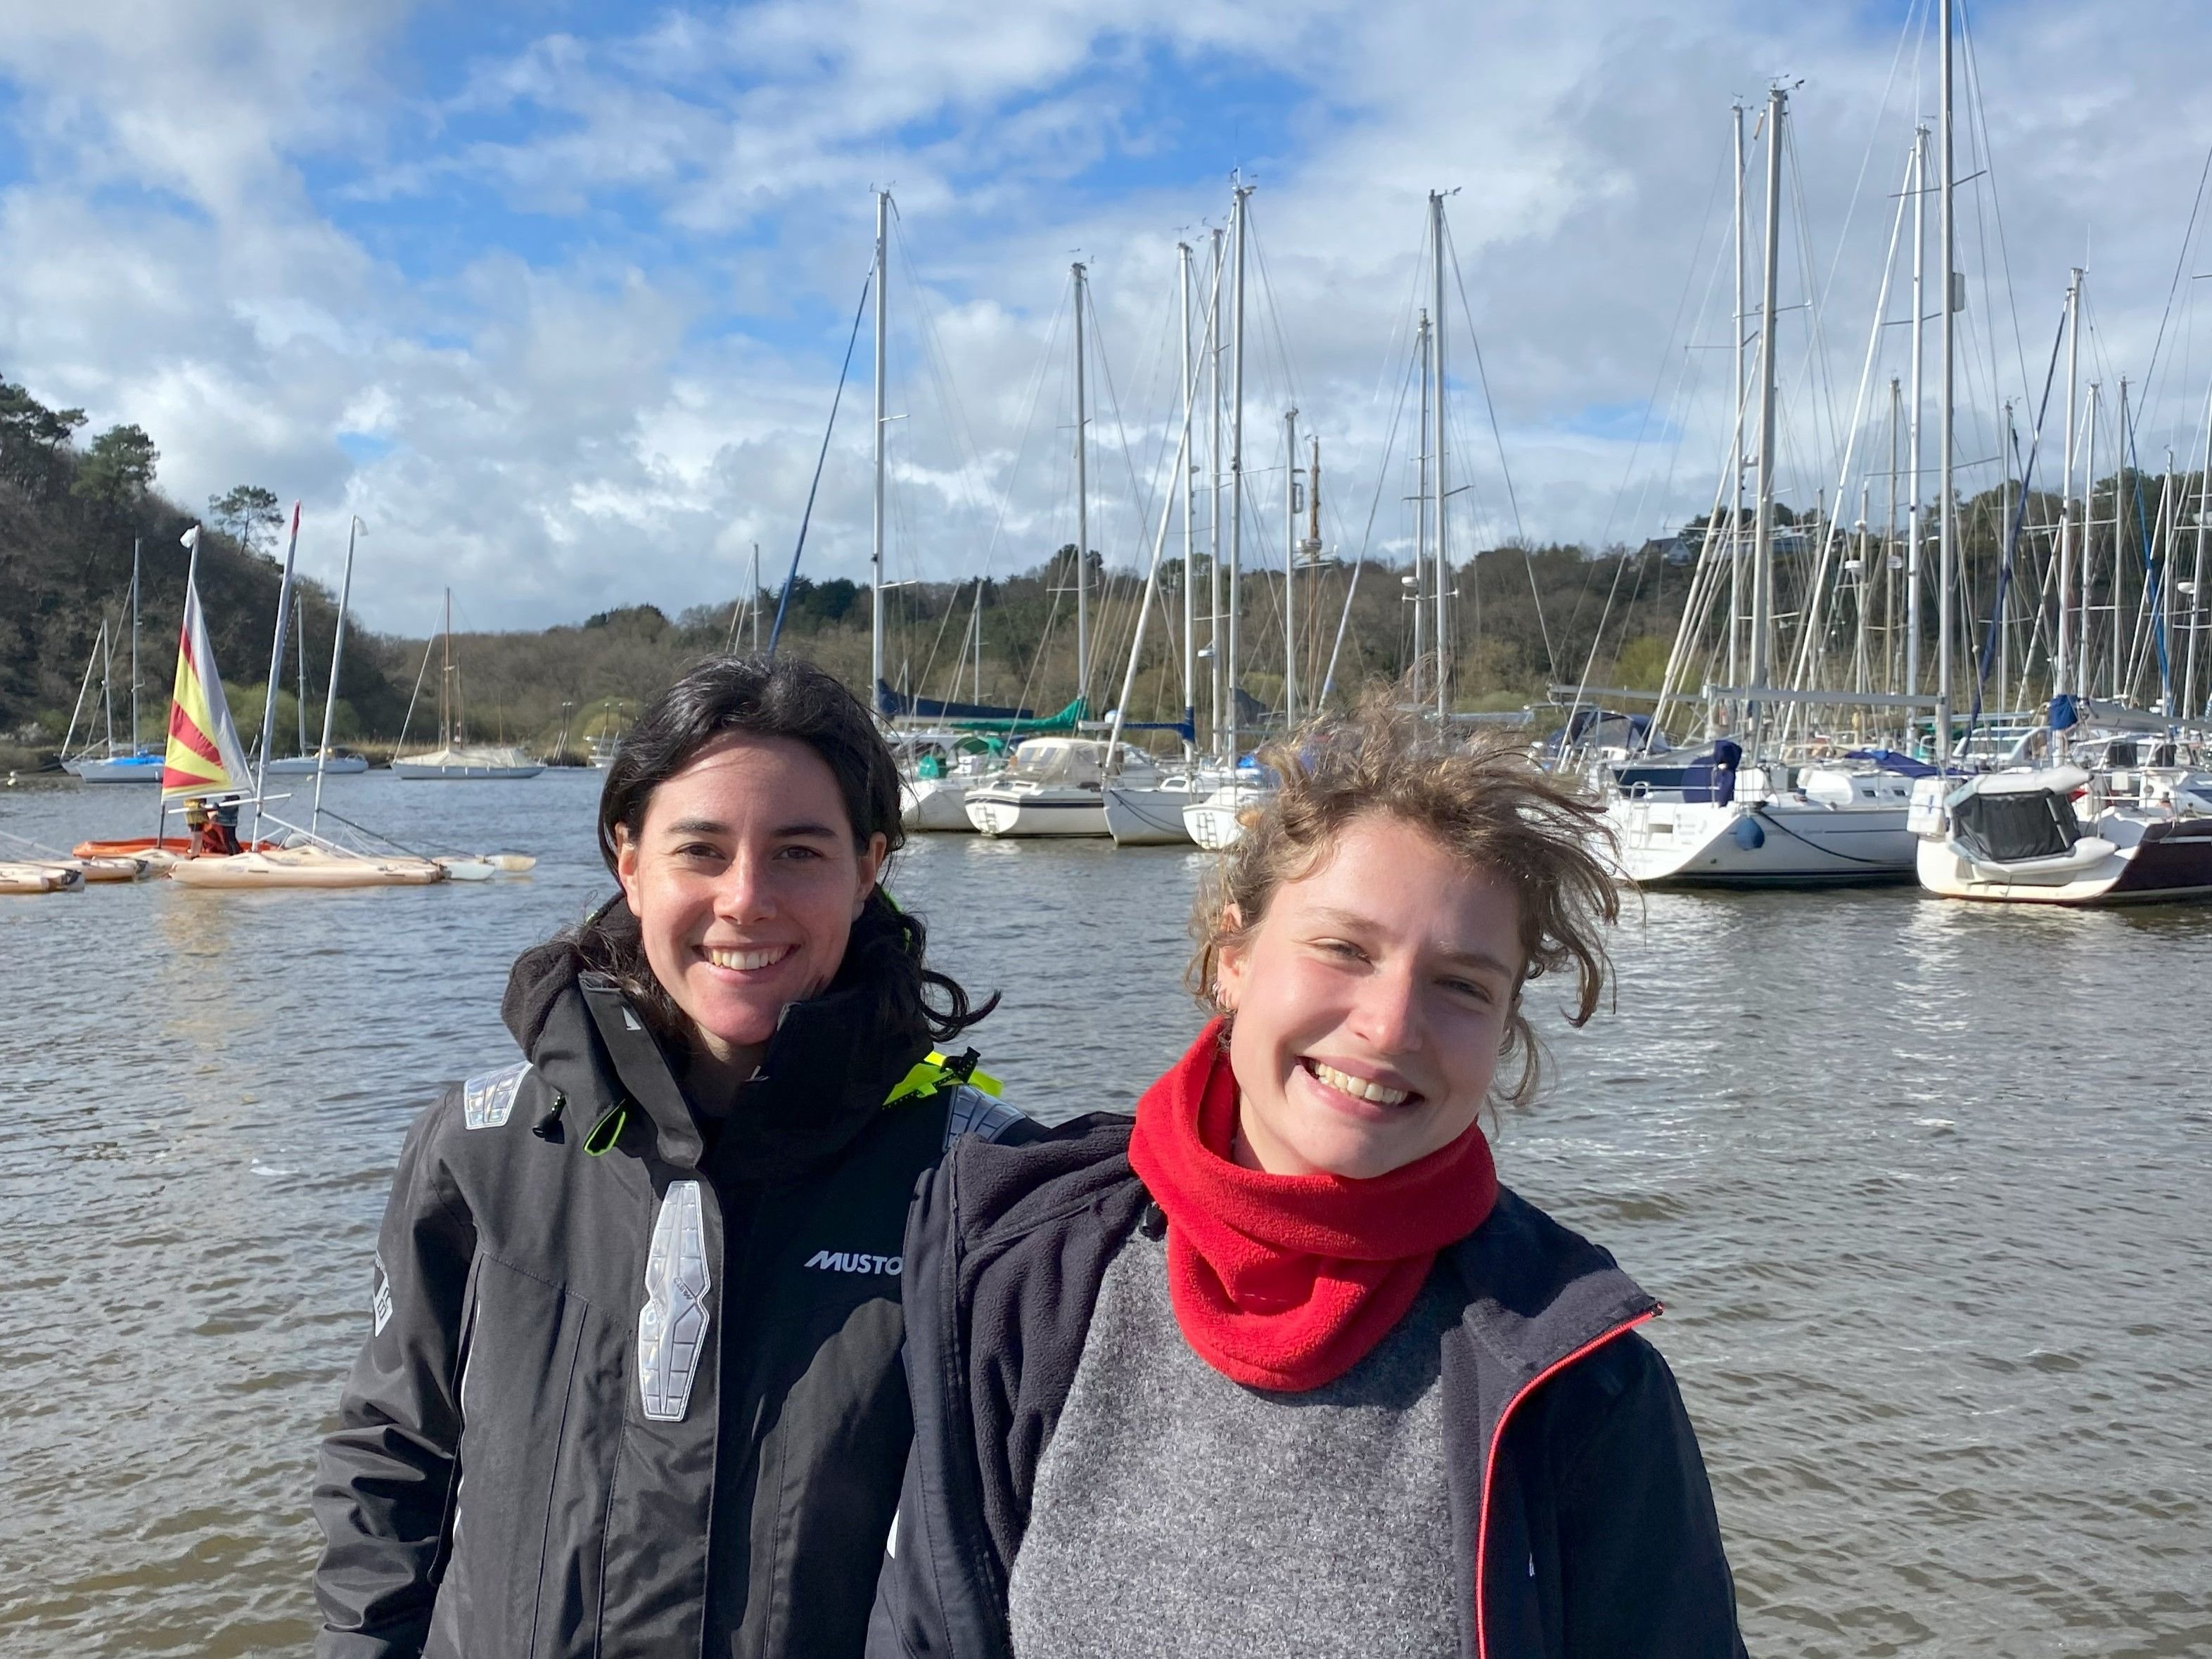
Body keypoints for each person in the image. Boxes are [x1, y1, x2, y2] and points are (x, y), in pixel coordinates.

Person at [872, 698, 1746, 1659]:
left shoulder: (1579, 1379)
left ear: (1502, 1030)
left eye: (1460, 985)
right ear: (1233, 961)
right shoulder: (1028, 1271)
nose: (1389, 1024)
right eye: (1342, 949)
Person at [312, 655, 1027, 1659]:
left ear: (869, 868)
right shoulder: (478, 1147)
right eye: (700, 849)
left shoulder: (983, 1190)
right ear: (628, 860)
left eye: (798, 852)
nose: (745, 899)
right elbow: (389, 1460)